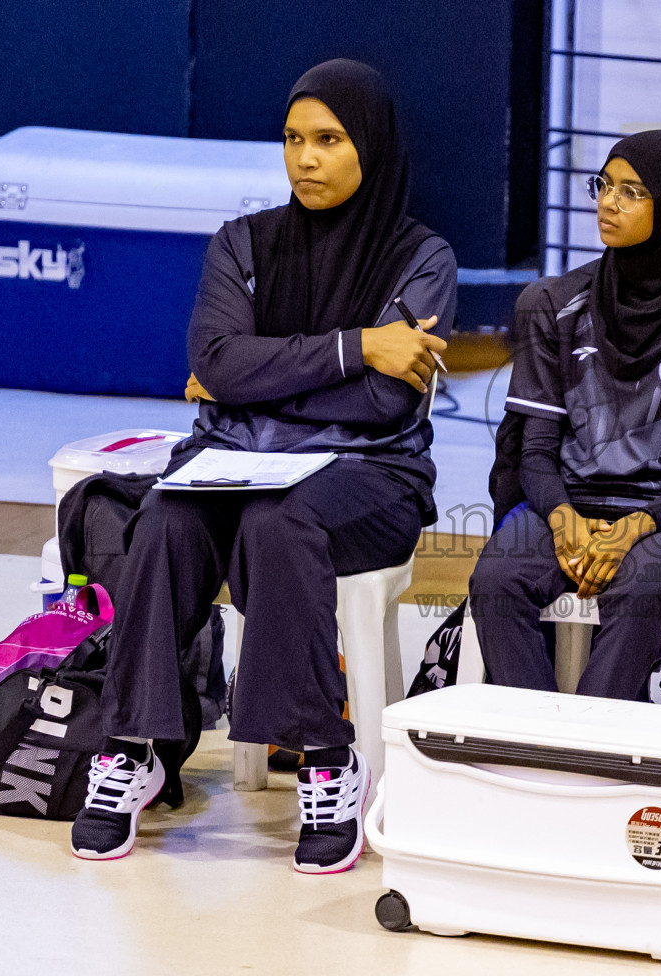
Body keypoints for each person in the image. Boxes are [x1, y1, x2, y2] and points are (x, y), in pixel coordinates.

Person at [67, 60, 457, 873]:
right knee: (167, 520)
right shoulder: (242, 244)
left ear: (371, 148)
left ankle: (324, 757)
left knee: (284, 522)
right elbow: (213, 357)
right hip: (235, 465)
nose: (304, 159)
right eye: (292, 140)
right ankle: (134, 745)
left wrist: (255, 379)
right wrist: (358, 350)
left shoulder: (423, 258)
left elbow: (382, 409)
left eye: (328, 140)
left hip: (370, 474)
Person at [469, 129, 661, 699]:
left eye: (632, 192)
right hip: (571, 504)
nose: (607, 202)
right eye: (604, 185)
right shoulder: (555, 304)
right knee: (497, 579)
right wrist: (561, 517)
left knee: (641, 581)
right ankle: (537, 750)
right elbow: (535, 449)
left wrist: (633, 529)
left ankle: (590, 756)